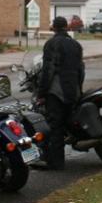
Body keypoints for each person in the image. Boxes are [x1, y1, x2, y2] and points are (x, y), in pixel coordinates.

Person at [37, 16, 85, 170]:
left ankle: (56, 162)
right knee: (68, 122)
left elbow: (48, 71)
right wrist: (78, 88)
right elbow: (81, 70)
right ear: (66, 27)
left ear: (54, 28)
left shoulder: (51, 44)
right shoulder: (76, 45)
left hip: (57, 91)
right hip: (72, 89)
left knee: (55, 126)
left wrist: (42, 93)